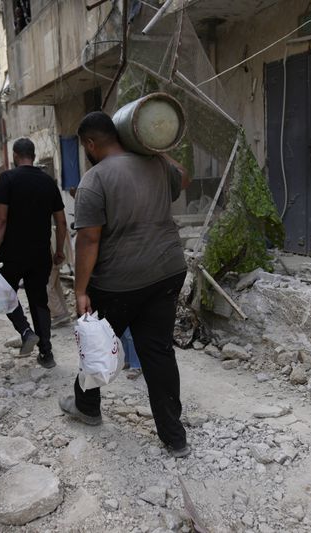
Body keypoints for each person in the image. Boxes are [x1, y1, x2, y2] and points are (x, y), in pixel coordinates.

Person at [58, 112, 191, 458]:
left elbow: (88, 240)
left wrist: (81, 290)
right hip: (167, 271)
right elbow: (184, 178)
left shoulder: (94, 179)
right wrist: (157, 147)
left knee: (96, 344)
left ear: (89, 143)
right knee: (158, 351)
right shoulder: (158, 166)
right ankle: (175, 438)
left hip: (119, 283)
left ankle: (86, 407)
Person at [0, 138, 68, 369]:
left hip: (12, 253)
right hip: (41, 253)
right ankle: (47, 354)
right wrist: (59, 250)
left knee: (5, 293)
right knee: (39, 300)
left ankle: (25, 330)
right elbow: (61, 221)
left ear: (14, 156)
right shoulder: (48, 182)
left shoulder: (8, 179)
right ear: (34, 154)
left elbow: (0, 219)